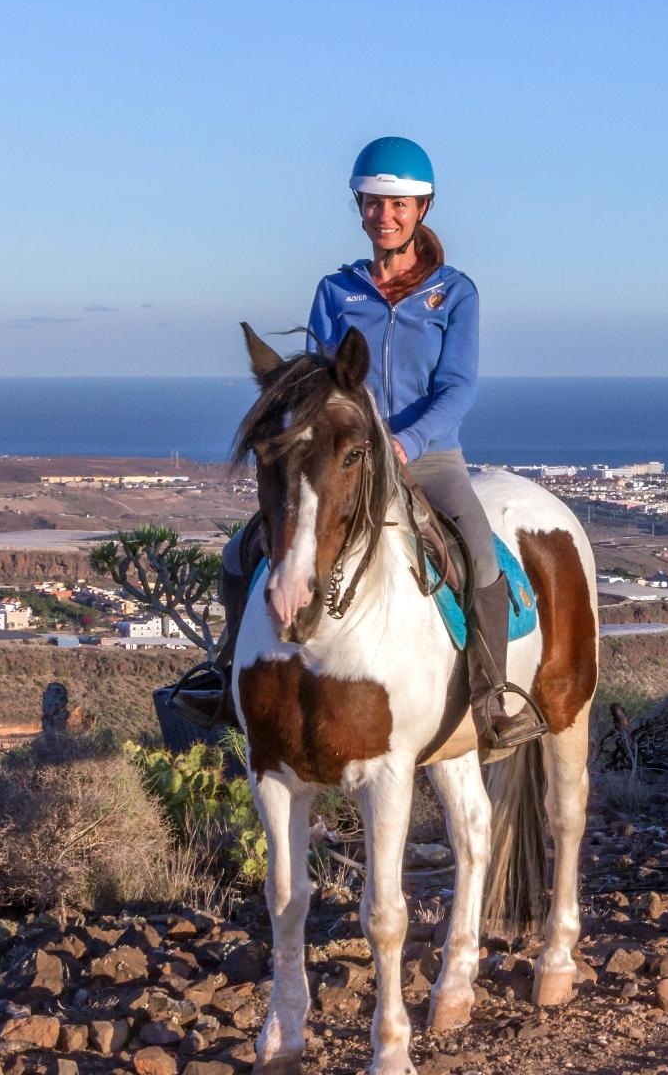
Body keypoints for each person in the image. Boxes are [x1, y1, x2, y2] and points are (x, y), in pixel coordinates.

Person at [218, 136, 544, 754]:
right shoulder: (335, 291)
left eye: (398, 205)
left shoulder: (455, 293)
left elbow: (457, 387)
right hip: (343, 460)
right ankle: (225, 675)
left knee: (478, 557)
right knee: (241, 556)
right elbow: (314, 381)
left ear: (422, 209)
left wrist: (407, 440)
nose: (384, 216)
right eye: (373, 203)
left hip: (429, 457)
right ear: (360, 208)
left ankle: (492, 697)